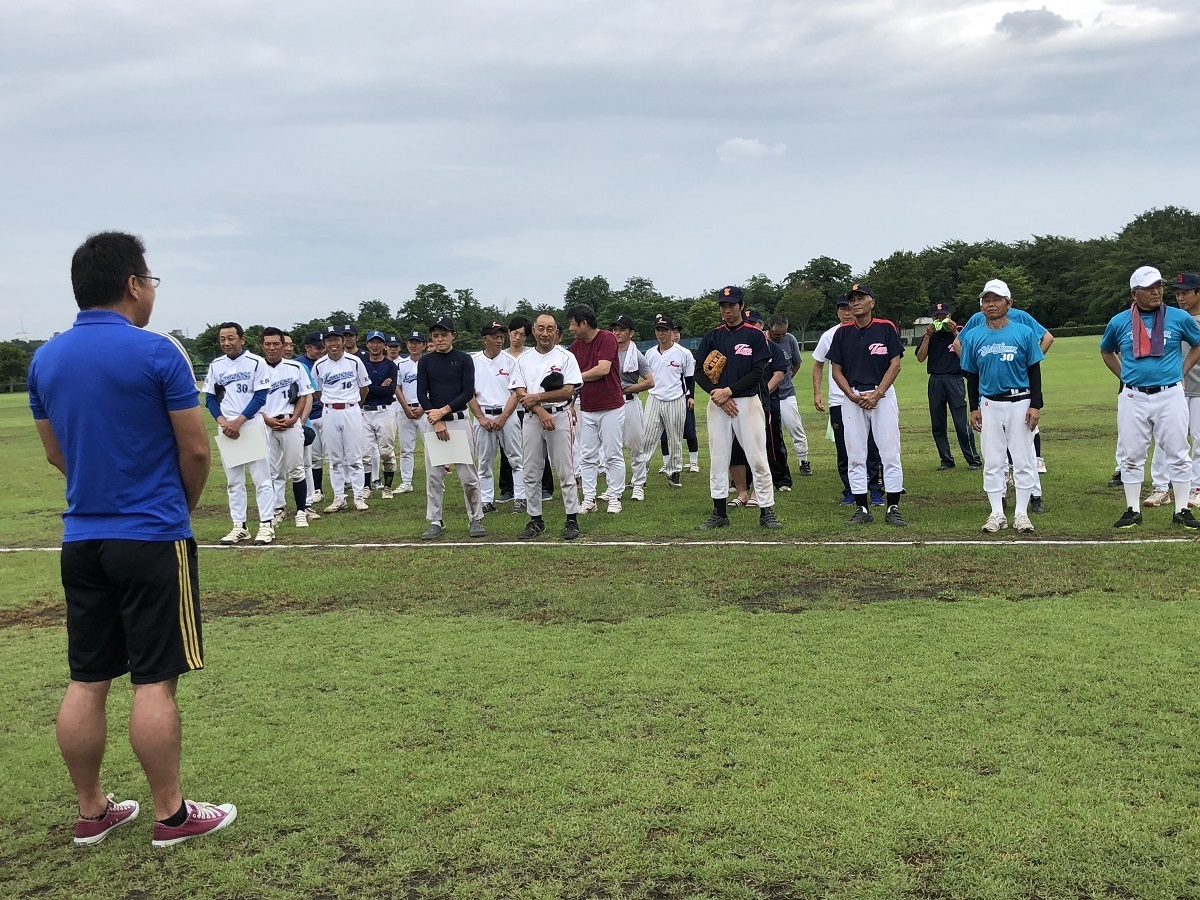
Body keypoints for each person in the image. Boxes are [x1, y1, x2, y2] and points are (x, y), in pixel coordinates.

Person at [29, 231, 235, 848]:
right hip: (150, 535)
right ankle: (171, 815)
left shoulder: (46, 358)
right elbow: (195, 448)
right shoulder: (158, 353)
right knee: (154, 678)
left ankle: (92, 811)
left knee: (88, 677)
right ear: (133, 284)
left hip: (81, 538)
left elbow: (54, 452)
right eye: (151, 280)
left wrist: (99, 484)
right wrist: (178, 505)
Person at [1100, 266, 1200, 528]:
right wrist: (1125, 377)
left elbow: (1198, 343)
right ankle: (1132, 509)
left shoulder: (1178, 318)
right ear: (1135, 294)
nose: (1156, 292)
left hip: (1170, 394)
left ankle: (1181, 511)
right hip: (1133, 397)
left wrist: (1182, 370)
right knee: (1132, 455)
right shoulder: (1119, 321)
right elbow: (1107, 351)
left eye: (1159, 286)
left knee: (1178, 452)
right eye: (1148, 288)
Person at [958, 281, 1045, 534]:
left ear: (1009, 303)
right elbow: (971, 375)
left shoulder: (1023, 332)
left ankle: (1021, 513)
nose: (991, 305)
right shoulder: (974, 336)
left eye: (996, 299)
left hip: (1020, 401)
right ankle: (996, 512)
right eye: (986, 300)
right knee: (993, 460)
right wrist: (974, 408)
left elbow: (1034, 370)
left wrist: (1035, 405)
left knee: (1023, 459)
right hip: (989, 403)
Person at [693, 286, 782, 530]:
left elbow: (758, 372)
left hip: (747, 401)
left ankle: (766, 511)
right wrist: (718, 394)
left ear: (741, 306)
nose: (727, 310)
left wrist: (728, 392)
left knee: (757, 457)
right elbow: (699, 371)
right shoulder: (713, 336)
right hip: (718, 403)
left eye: (731, 305)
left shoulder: (754, 336)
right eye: (723, 305)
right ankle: (719, 512)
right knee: (718, 457)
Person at [827, 284, 906, 526]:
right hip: (853, 398)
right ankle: (862, 508)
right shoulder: (842, 333)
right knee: (856, 454)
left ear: (872, 302)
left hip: (881, 396)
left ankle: (892, 507)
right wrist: (850, 395)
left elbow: (895, 364)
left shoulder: (885, 327)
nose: (856, 303)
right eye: (852, 299)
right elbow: (836, 370)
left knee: (890, 453)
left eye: (861, 298)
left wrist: (878, 393)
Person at [510, 313, 583, 540]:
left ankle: (572, 518)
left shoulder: (565, 357)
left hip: (559, 416)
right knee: (531, 470)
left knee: (565, 469)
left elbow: (568, 391)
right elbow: (520, 391)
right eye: (540, 328)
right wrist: (540, 410)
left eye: (550, 329)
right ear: (533, 330)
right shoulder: (523, 359)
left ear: (556, 332)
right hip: (533, 419)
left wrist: (537, 399)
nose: (545, 333)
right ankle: (535, 519)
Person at [203, 322, 274, 545]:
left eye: (231, 338)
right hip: (227, 428)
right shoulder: (216, 365)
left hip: (250, 424)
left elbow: (260, 397)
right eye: (223, 339)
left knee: (261, 479)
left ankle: (266, 525)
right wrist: (224, 422)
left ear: (242, 339)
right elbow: (210, 399)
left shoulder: (256, 362)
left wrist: (239, 421)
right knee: (234, 481)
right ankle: (239, 526)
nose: (226, 343)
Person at [417, 317, 486, 540]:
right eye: (435, 336)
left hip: (457, 420)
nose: (440, 339)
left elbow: (467, 392)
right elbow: (421, 393)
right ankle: (435, 520)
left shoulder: (464, 359)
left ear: (453, 335)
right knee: (434, 476)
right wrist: (435, 419)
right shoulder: (426, 362)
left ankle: (475, 518)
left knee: (468, 476)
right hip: (434, 422)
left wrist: (443, 411)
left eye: (444, 335)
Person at [812, 296, 884, 505]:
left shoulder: (867, 331)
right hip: (840, 400)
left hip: (867, 397)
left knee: (872, 445)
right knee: (845, 448)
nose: (846, 313)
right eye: (842, 309)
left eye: (848, 308)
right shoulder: (829, 335)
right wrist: (817, 393)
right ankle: (850, 489)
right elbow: (818, 364)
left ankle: (875, 487)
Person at [567, 304, 626, 514]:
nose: (571, 328)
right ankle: (589, 498)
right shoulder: (575, 347)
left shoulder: (606, 338)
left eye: (573, 324)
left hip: (611, 406)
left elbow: (603, 369)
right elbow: (572, 383)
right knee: (587, 455)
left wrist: (576, 376)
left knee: (612, 453)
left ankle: (615, 496)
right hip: (588, 407)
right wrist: (572, 403)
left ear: (584, 323)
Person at [915, 301, 982, 471]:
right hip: (936, 380)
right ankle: (946, 459)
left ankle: (973, 459)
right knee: (938, 424)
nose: (941, 319)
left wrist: (955, 333)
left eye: (944, 316)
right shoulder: (930, 335)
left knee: (961, 424)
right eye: (937, 317)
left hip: (955, 379)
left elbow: (967, 358)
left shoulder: (960, 333)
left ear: (950, 316)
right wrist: (928, 336)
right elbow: (921, 357)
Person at [259, 326, 314, 536]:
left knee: (296, 469)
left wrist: (294, 419)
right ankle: (277, 509)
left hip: (290, 422)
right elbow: (254, 399)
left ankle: (301, 510)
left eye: (276, 344)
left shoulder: (295, 367)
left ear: (284, 345)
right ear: (262, 346)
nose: (272, 348)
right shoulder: (257, 368)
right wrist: (267, 419)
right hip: (266, 425)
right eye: (268, 344)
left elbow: (303, 395)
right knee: (272, 472)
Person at [311, 325, 370, 511]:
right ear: (324, 343)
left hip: (351, 409)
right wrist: (328, 404)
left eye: (336, 339)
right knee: (334, 457)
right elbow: (316, 391)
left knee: (354, 456)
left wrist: (355, 405)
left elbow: (364, 388)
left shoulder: (354, 361)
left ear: (343, 341)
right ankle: (338, 497)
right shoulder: (319, 365)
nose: (333, 343)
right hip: (329, 411)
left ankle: (358, 496)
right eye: (329, 340)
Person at [470, 321, 522, 513]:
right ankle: (486, 500)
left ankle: (520, 497)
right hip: (483, 414)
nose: (499, 341)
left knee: (516, 458)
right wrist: (481, 418)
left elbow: (516, 392)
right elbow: (469, 393)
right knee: (484, 461)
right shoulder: (473, 361)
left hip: (507, 414)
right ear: (485, 339)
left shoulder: (511, 361)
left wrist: (504, 416)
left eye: (501, 337)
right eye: (495, 337)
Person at [642, 314, 691, 490]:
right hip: (654, 397)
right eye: (658, 330)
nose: (661, 334)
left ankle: (674, 472)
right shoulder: (649, 353)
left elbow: (689, 377)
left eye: (665, 330)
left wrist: (689, 396)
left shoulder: (683, 353)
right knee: (647, 438)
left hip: (676, 398)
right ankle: (641, 476)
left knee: (675, 438)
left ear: (672, 332)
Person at [611, 315, 654, 501]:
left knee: (635, 445)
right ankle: (614, 487)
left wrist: (628, 388)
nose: (617, 333)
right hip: (611, 404)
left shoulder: (635, 355)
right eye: (615, 329)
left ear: (631, 333)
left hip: (629, 401)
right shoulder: (608, 352)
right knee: (611, 447)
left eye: (621, 329)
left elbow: (650, 381)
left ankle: (638, 484)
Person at [767, 314, 811, 478]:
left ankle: (803, 461)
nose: (780, 336)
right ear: (769, 328)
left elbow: (796, 364)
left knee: (795, 427)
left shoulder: (790, 340)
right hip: (767, 395)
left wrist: (786, 379)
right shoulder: (763, 340)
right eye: (777, 333)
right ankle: (770, 465)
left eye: (783, 333)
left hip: (786, 394)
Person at [359, 331, 400, 499]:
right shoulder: (361, 364)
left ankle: (387, 487)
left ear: (384, 345)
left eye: (379, 342)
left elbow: (389, 391)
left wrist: (369, 388)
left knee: (386, 451)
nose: (375, 346)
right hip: (365, 410)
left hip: (385, 410)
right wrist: (376, 388)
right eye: (372, 342)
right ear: (367, 345)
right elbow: (360, 390)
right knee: (364, 452)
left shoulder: (390, 366)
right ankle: (367, 486)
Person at [296, 332, 326, 507]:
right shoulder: (299, 364)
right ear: (308, 347)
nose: (321, 351)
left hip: (326, 414)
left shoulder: (327, 363)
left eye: (323, 347)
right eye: (317, 348)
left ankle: (345, 486)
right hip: (310, 415)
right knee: (314, 457)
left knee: (334, 454)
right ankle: (317, 490)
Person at [395, 331, 426, 495]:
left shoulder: (429, 362)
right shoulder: (401, 365)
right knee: (406, 448)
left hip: (425, 409)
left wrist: (423, 407)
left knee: (431, 446)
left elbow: (434, 388)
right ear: (407, 345)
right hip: (405, 409)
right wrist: (406, 407)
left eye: (418, 342)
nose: (414, 345)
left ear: (424, 345)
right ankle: (406, 482)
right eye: (411, 342)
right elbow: (397, 387)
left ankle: (434, 479)